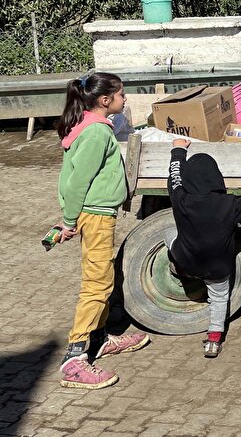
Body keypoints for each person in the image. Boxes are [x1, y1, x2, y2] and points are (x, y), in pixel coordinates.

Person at [54, 72, 150, 389]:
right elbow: (76, 180)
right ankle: (75, 359)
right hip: (95, 218)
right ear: (105, 100)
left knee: (105, 278)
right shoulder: (95, 133)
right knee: (97, 285)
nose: (126, 100)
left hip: (98, 215)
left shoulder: (94, 125)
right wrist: (69, 220)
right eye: (122, 95)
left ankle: (98, 340)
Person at [166, 138, 241, 357]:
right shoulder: (230, 204)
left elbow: (175, 176)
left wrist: (178, 151)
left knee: (167, 234)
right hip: (218, 267)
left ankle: (176, 265)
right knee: (219, 298)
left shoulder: (181, 199)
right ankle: (214, 339)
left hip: (187, 260)